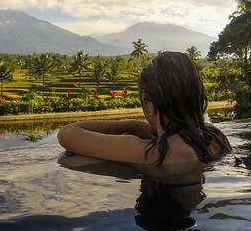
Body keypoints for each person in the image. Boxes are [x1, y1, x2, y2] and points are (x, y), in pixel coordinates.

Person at [57, 51, 231, 180]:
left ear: (149, 105)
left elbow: (67, 133)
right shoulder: (215, 136)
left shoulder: (155, 153)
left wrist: (135, 125)